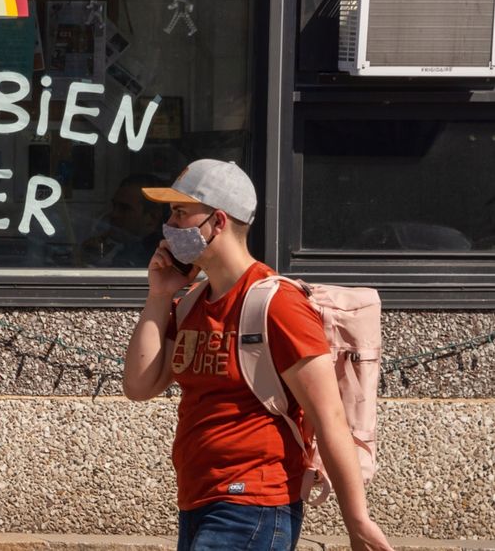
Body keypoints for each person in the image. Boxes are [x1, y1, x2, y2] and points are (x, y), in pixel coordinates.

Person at [121, 159, 392, 551]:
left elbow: (329, 417)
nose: (169, 226)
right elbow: (139, 385)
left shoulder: (277, 304)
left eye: (180, 213)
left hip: (253, 504)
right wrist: (160, 295)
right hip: (198, 500)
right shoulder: (192, 302)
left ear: (217, 221)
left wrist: (357, 521)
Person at [81, 173, 168, 267]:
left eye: (125, 208)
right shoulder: (128, 248)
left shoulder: (152, 258)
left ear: (152, 218)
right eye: (114, 206)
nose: (114, 214)